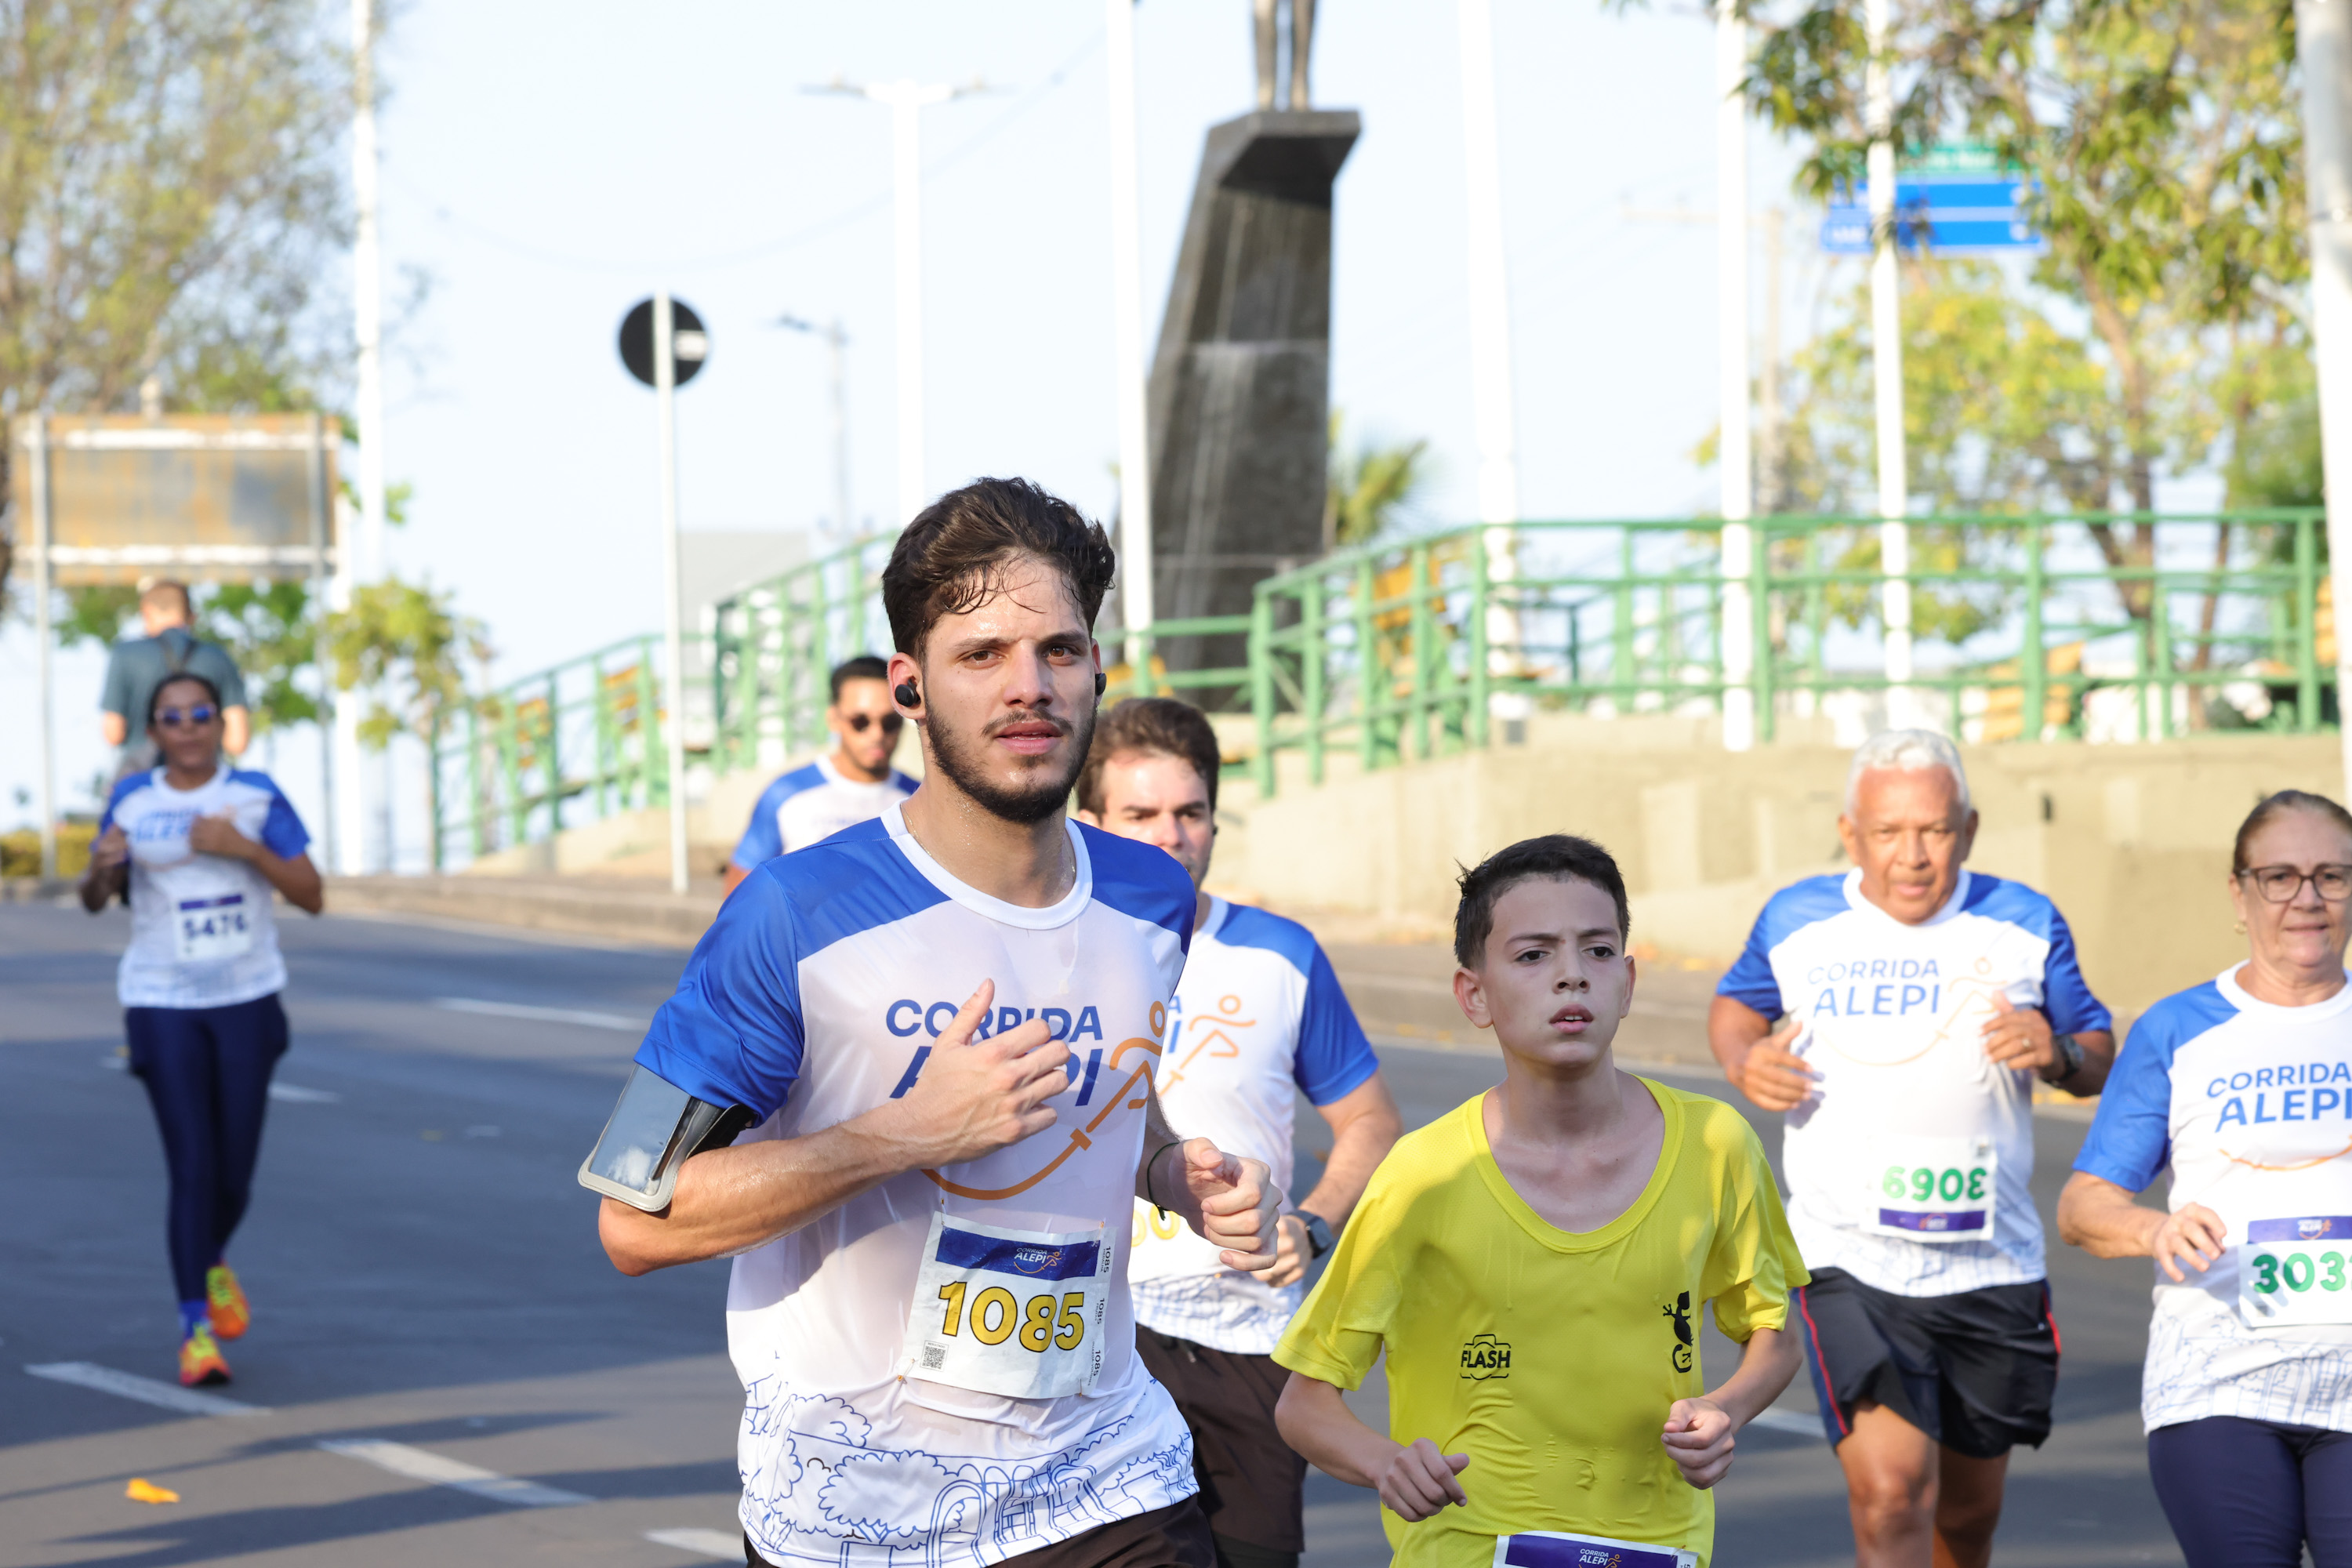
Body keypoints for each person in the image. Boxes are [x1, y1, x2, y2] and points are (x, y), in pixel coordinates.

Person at [593, 478, 1284, 1568]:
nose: (1029, 687)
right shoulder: (791, 912)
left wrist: (1175, 1173)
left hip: (1105, 1476)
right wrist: (908, 1132)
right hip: (855, 1509)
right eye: (982, 656)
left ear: (1098, 670)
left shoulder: (1153, 898)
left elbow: (1116, 1095)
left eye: (1060, 650)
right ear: (910, 687)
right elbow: (635, 1217)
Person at [1274, 834, 1807, 1567]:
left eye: (1595, 951)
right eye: (1533, 955)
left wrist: (1727, 1409)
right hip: (1465, 1544)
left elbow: (1774, 1336)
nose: (1570, 978)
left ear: (1627, 981)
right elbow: (1304, 1404)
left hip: (1656, 1545)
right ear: (1475, 995)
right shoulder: (1421, 1175)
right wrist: (1384, 1463)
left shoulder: (1718, 1143)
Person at [1708, 728, 2115, 1568]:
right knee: (1893, 1493)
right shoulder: (1798, 919)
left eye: (1932, 829)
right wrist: (1746, 1059)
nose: (1913, 854)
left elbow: (2096, 1048)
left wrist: (2059, 1051)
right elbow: (1736, 1003)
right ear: (1850, 831)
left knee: (1966, 1521)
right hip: (1846, 1259)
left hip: (1989, 1264)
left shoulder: (2025, 920)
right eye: (1889, 831)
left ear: (1967, 829)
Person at [1074, 696, 1403, 1568]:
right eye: (1139, 814)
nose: (1169, 835)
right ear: (1091, 820)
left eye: (1189, 813)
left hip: (1247, 1338)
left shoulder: (1280, 953)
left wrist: (1314, 1221)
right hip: (1093, 1332)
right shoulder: (1054, 950)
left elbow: (1370, 1119)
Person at [2060, 789, 2352, 1568]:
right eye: (2281, 876)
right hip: (2220, 1376)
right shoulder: (2177, 1029)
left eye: (2332, 875)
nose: (2308, 899)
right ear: (2240, 892)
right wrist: (2156, 1228)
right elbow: (2085, 1205)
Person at [80, 671, 323, 1387]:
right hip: (161, 1001)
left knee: (235, 1172)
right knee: (191, 1164)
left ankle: (207, 1258)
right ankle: (195, 1328)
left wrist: (242, 848)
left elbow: (312, 895)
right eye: (172, 716)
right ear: (154, 731)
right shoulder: (133, 798)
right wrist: (101, 866)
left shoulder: (255, 797)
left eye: (200, 714)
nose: (187, 726)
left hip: (247, 998)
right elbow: (96, 899)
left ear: (221, 723)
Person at [722, 655, 918, 894]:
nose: (877, 734)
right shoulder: (786, 794)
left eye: (890, 722)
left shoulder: (919, 798)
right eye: (860, 722)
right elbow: (739, 893)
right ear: (833, 719)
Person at [100, 579, 251, 772]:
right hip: (202, 780)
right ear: (192, 617)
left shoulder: (125, 654)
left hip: (143, 778)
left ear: (146, 612)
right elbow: (237, 742)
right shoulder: (218, 657)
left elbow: (113, 734)